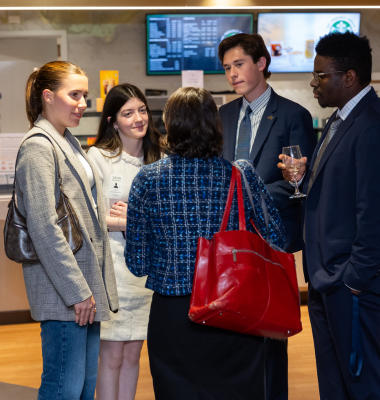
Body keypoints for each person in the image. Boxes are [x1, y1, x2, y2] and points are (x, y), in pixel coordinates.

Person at [124, 87, 285, 400]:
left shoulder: (148, 179)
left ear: (169, 125)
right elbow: (277, 241)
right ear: (215, 124)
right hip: (234, 307)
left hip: (173, 316)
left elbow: (137, 264)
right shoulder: (241, 175)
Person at [279, 32, 380, 400]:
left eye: (321, 75)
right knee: (334, 384)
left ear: (348, 77)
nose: (313, 83)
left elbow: (377, 216)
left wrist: (353, 280)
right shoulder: (341, 119)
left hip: (350, 283)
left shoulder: (375, 126)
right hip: (327, 278)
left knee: (360, 384)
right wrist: (305, 177)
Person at [217, 32, 317, 400]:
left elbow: (298, 183)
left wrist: (247, 197)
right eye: (227, 68)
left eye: (239, 64)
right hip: (228, 243)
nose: (232, 74)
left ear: (261, 63)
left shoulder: (294, 116)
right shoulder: (222, 116)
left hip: (272, 241)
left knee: (270, 332)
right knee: (231, 331)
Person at [15, 61, 119, 399]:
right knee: (63, 388)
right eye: (73, 95)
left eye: (85, 95)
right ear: (47, 97)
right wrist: (77, 292)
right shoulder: (38, 147)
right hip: (66, 292)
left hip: (83, 287)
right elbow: (44, 228)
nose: (82, 103)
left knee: (84, 388)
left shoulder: (67, 142)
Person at [87, 84, 164, 400]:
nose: (138, 118)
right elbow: (91, 216)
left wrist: (130, 218)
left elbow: (166, 218)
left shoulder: (160, 158)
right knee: (112, 356)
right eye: (127, 113)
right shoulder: (98, 157)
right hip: (112, 272)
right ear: (112, 121)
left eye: (142, 110)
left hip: (148, 273)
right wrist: (136, 220)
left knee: (134, 355)